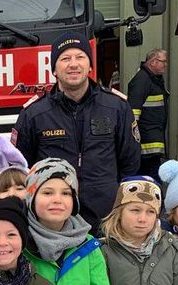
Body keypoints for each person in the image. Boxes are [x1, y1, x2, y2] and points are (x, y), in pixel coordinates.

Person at [11, 30, 141, 229]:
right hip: (54, 221)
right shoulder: (34, 113)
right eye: (65, 58)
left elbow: (130, 162)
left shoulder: (116, 107)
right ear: (54, 69)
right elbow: (21, 167)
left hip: (105, 218)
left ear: (90, 65)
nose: (73, 64)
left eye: (80, 57)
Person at [128, 50, 169, 177]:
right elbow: (133, 112)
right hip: (146, 141)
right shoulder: (142, 80)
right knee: (150, 176)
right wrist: (135, 140)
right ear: (153, 62)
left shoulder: (153, 80)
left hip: (152, 138)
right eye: (163, 61)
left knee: (151, 173)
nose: (165, 65)